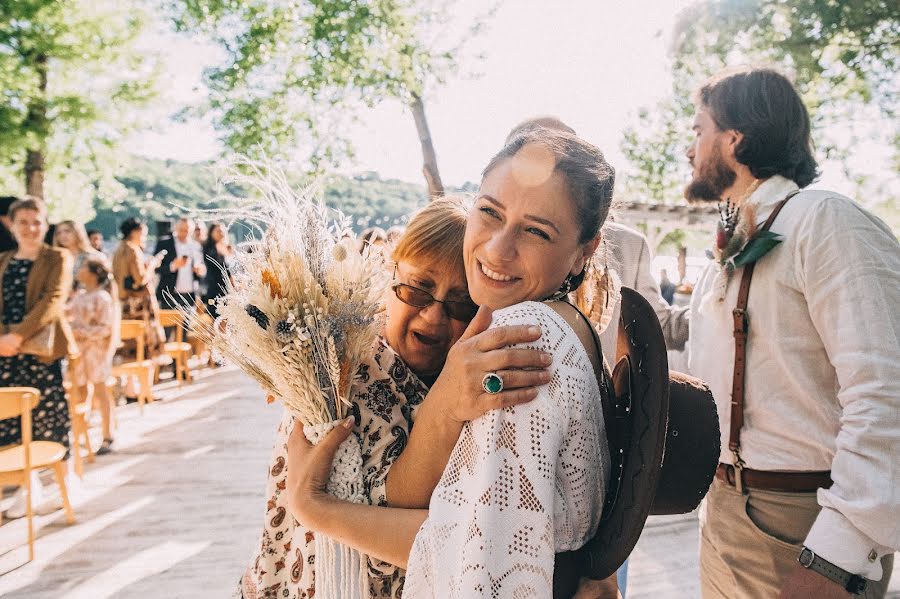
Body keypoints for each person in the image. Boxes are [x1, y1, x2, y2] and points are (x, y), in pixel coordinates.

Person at [285, 129, 622, 597]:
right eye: (489, 212)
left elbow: (470, 554)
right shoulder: (557, 325)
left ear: (585, 250)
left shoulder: (521, 338)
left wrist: (313, 507)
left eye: (536, 231)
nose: (497, 250)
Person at [237, 197, 551, 598]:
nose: (434, 317)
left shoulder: (460, 379)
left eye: (460, 304)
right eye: (417, 290)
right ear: (389, 275)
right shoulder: (347, 377)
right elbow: (387, 543)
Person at [685, 67, 898, 598]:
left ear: (734, 139)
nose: (689, 147)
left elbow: (885, 388)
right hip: (724, 510)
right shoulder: (730, 244)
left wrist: (836, 553)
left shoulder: (826, 221)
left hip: (803, 520)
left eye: (698, 130)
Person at [0, 197, 77, 517]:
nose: (30, 228)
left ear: (45, 225)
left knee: (51, 415)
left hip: (41, 351)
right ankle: (28, 488)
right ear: (12, 225)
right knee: (15, 422)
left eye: (36, 222)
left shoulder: (57, 258)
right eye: (23, 222)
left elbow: (53, 299)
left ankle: (65, 481)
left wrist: (18, 335)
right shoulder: (3, 260)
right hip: (7, 351)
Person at [67, 257, 118, 454]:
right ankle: (81, 433)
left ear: (93, 273)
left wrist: (81, 332)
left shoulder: (102, 298)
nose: (78, 270)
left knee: (101, 390)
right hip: (79, 352)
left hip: (96, 351)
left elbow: (106, 328)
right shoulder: (79, 296)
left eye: (83, 268)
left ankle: (108, 433)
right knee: (80, 390)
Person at [112, 216, 164, 358]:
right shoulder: (133, 249)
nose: (144, 237)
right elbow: (140, 279)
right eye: (143, 233)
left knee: (128, 346)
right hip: (139, 305)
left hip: (124, 302)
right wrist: (152, 265)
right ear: (135, 232)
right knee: (144, 346)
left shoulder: (119, 249)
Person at [154, 217, 206, 310]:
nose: (184, 233)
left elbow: (202, 269)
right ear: (176, 228)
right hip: (169, 295)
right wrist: (173, 266)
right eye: (181, 230)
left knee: (187, 324)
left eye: (187, 230)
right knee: (168, 324)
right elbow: (156, 268)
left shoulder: (196, 246)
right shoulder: (164, 243)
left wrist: (200, 270)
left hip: (189, 296)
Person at [53, 219, 103, 287]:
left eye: (67, 231)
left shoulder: (94, 256)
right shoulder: (55, 258)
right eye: (59, 233)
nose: (63, 235)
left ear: (77, 232)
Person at [201, 222, 232, 320]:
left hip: (228, 291)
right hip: (214, 290)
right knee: (216, 320)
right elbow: (219, 268)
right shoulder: (208, 248)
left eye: (223, 231)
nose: (221, 233)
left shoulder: (227, 248)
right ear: (211, 233)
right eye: (218, 231)